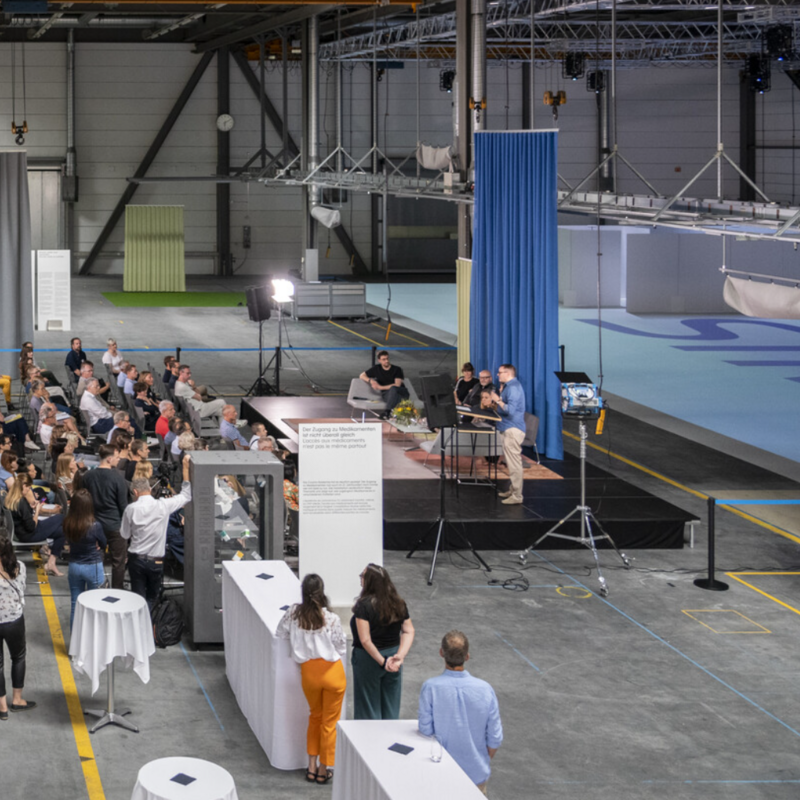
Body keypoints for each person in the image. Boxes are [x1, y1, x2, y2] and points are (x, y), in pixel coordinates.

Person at [277, 574, 347, 785]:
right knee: (329, 723)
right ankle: (324, 770)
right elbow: (341, 646)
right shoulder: (331, 618)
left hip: (309, 673)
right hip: (332, 673)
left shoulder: (293, 613)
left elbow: (280, 633)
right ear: (321, 592)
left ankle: (311, 767)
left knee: (314, 717)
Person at [418, 630, 503, 794]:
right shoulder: (485, 689)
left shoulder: (430, 687)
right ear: (467, 656)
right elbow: (495, 737)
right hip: (476, 774)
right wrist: (479, 760)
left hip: (441, 774)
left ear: (441, 653)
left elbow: (425, 729)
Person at [121, 458, 192, 610]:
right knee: (153, 597)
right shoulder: (163, 506)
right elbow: (187, 496)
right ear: (149, 489)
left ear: (135, 492)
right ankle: (150, 620)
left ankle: (140, 620)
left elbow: (125, 534)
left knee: (138, 597)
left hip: (136, 560)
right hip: (156, 561)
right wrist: (186, 469)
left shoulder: (130, 509)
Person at [350, 563, 415, 720]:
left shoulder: (363, 606)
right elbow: (409, 630)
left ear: (369, 581)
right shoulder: (398, 603)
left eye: (362, 576)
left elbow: (365, 640)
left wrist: (383, 662)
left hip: (369, 659)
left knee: (368, 707)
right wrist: (399, 657)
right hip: (393, 657)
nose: (360, 578)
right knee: (391, 706)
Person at [81, 444, 129, 589]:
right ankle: (117, 590)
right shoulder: (118, 478)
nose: (119, 459)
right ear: (109, 459)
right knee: (118, 561)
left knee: (97, 559)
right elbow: (123, 506)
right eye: (117, 457)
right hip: (115, 526)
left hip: (94, 526)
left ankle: (97, 587)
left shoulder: (88, 476)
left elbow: (83, 501)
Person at [0, 536, 35, 718]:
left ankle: (2, 707)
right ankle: (17, 700)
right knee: (18, 657)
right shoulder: (20, 567)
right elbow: (21, 588)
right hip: (14, 620)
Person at [3, 475, 65, 576]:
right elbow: (31, 526)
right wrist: (37, 511)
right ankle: (52, 562)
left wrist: (31, 508)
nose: (28, 491)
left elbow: (23, 517)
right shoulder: (21, 502)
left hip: (20, 533)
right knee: (61, 517)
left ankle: (51, 563)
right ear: (23, 486)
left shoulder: (10, 499)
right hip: (29, 534)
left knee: (62, 531)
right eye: (28, 488)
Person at [63, 490, 107, 629]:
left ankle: (75, 641)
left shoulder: (68, 523)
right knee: (97, 605)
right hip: (93, 566)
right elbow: (104, 543)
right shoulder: (95, 525)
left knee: (75, 606)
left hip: (74, 566)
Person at [491, 364, 526, 506]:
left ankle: (517, 495)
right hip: (507, 428)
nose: (497, 375)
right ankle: (513, 490)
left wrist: (498, 399)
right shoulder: (509, 387)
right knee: (511, 464)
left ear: (508, 373)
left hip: (512, 429)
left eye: (500, 372)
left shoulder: (513, 388)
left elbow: (510, 411)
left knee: (514, 464)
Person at [359, 351, 409, 419]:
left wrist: (380, 387)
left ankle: (387, 411)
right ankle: (396, 416)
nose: (386, 361)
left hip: (401, 392)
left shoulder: (397, 369)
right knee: (395, 398)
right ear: (379, 360)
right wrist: (371, 381)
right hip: (387, 395)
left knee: (393, 388)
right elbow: (362, 375)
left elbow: (397, 385)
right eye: (384, 359)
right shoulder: (376, 369)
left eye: (387, 358)